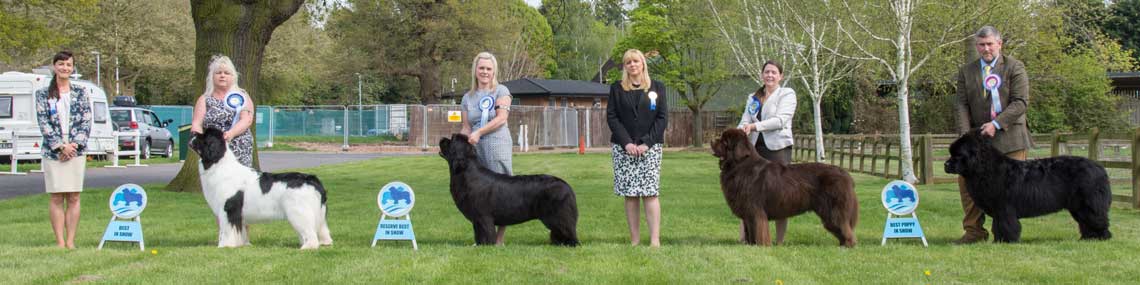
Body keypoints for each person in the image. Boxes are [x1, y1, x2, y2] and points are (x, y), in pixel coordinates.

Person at [953, 25, 1030, 244]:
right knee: (968, 187)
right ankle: (974, 232)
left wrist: (996, 124)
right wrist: (967, 137)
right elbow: (960, 104)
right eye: (981, 45)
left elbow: (1020, 102)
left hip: (1010, 139)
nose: (986, 49)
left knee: (1008, 192)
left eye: (989, 44)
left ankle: (1004, 234)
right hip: (977, 144)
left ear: (999, 44)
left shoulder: (1015, 67)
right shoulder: (966, 71)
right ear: (976, 46)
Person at [607, 49, 669, 247]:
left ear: (643, 63)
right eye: (628, 62)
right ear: (625, 66)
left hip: (650, 150)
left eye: (636, 61)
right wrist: (627, 142)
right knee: (631, 195)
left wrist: (646, 143)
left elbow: (662, 118)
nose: (632, 65)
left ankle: (654, 240)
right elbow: (612, 117)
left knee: (650, 193)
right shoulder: (617, 88)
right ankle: (634, 240)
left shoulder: (657, 87)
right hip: (623, 149)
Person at [736, 60, 797, 244]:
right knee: (747, 193)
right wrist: (739, 131)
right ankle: (745, 238)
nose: (770, 75)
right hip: (754, 150)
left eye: (774, 72)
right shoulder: (753, 97)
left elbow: (780, 120)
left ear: (781, 76)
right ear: (762, 74)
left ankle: (778, 240)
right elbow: (744, 119)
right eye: (767, 72)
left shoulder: (787, 94)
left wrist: (754, 126)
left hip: (778, 149)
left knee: (779, 196)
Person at [35, 51, 92, 249]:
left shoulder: (81, 92)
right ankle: (59, 241)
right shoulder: (42, 94)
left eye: (68, 64)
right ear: (54, 66)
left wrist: (73, 145)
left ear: (72, 67)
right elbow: (44, 123)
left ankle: (71, 241)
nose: (65, 68)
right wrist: (60, 146)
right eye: (61, 64)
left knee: (74, 196)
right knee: (57, 196)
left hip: (76, 150)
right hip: (54, 152)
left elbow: (86, 120)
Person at [459, 51, 514, 245]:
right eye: (481, 68)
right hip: (474, 149)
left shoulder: (502, 91)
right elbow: (466, 127)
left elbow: (501, 119)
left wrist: (479, 132)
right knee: (478, 194)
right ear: (475, 70)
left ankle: (499, 239)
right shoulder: (467, 98)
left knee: (502, 190)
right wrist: (460, 145)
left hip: (497, 144)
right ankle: (483, 237)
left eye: (488, 69)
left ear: (494, 71)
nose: (484, 72)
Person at [191, 55, 255, 168]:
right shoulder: (204, 99)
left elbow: (246, 120)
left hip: (238, 146)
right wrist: (199, 142)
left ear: (233, 76)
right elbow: (196, 123)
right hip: (213, 150)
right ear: (212, 77)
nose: (222, 76)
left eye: (226, 73)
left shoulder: (241, 96)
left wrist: (230, 134)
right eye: (218, 73)